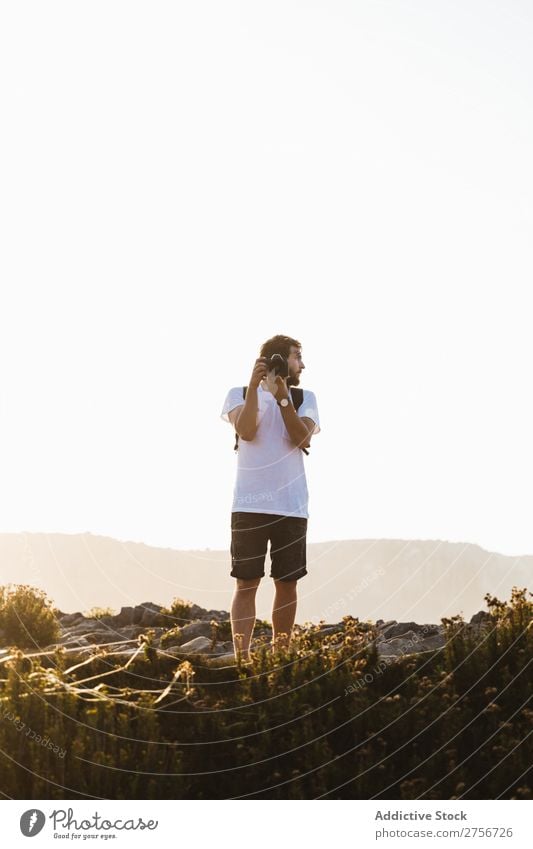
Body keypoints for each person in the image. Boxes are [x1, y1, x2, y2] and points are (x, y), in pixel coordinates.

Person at [220, 334, 321, 660]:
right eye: (296, 357)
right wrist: (255, 388)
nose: (301, 364)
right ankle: (243, 659)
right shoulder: (239, 394)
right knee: (246, 582)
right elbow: (246, 431)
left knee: (287, 583)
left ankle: (280, 656)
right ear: (276, 358)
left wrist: (282, 399)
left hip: (290, 506)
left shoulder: (304, 397)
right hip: (249, 504)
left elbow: (301, 438)